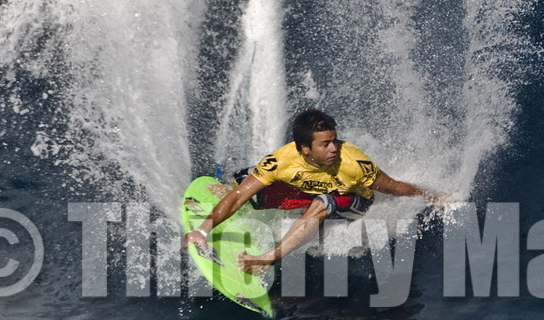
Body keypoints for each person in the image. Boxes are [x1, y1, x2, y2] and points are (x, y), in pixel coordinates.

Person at [183, 107, 447, 272]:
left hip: (351, 199)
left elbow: (394, 187)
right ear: (304, 148)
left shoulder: (354, 164)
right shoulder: (281, 161)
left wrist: (433, 197)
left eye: (334, 141)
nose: (333, 148)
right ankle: (220, 211)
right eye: (325, 144)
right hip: (307, 187)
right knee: (244, 182)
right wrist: (201, 230)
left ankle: (269, 258)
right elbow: (241, 194)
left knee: (322, 202)